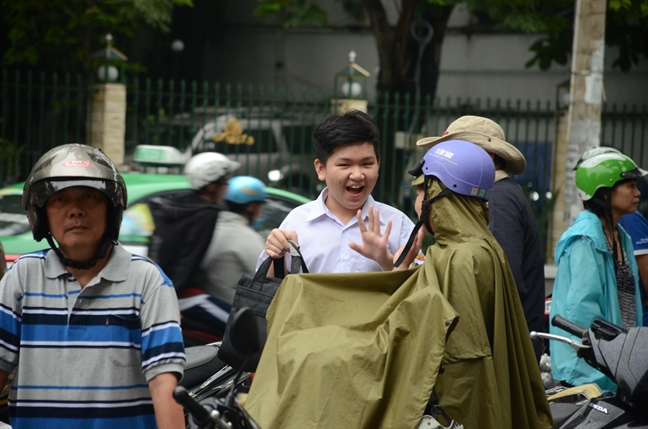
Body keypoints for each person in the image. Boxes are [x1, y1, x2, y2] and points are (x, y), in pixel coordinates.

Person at [245, 140, 551, 429]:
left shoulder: (457, 257)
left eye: (421, 194)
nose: (417, 203)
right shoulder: (474, 247)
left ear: (440, 196)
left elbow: (443, 343)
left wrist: (336, 345)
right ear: (321, 168)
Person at [0, 144, 185, 429]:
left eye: (88, 197)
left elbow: (163, 382)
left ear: (111, 210)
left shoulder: (147, 280)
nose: (75, 211)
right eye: (60, 200)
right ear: (42, 214)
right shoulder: (23, 276)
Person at [417, 115, 546, 362]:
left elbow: (500, 282)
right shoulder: (489, 196)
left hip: (503, 350)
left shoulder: (497, 199)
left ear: (490, 158)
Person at [261, 109, 414, 273]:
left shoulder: (400, 226)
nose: (357, 175)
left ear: (378, 164)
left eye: (367, 164)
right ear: (321, 169)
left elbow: (422, 291)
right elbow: (269, 288)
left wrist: (387, 262)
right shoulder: (296, 223)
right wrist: (275, 253)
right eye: (344, 165)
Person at [550, 151, 645, 392]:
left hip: (618, 367)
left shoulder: (621, 236)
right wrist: (613, 362)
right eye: (631, 186)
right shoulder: (586, 240)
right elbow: (583, 313)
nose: (638, 193)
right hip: (591, 371)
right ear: (604, 193)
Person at [148, 151, 240, 345]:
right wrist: (169, 303)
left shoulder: (175, 205)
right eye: (224, 183)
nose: (226, 189)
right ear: (212, 185)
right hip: (180, 295)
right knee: (242, 327)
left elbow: (157, 250)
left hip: (160, 289)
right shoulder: (205, 214)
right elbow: (187, 261)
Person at [196, 175, 266, 307]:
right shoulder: (247, 237)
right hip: (235, 311)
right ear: (251, 207)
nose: (261, 212)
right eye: (259, 206)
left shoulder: (211, 228)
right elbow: (265, 276)